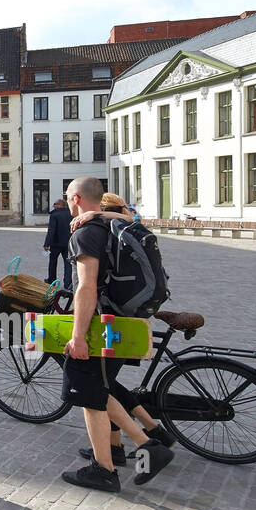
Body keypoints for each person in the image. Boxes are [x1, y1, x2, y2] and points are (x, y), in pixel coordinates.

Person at [60, 177, 175, 492]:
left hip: (100, 325)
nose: (67, 201)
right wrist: (100, 214)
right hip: (124, 321)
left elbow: (87, 286)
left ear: (78, 198)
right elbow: (129, 217)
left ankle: (130, 455)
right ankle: (118, 453)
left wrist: (79, 335)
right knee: (99, 388)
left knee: (87, 390)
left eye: (68, 196)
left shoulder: (84, 233)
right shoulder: (110, 225)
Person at [43, 199, 72, 290]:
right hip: (68, 242)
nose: (53, 205)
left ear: (60, 205)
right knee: (68, 263)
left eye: (55, 204)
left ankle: (51, 280)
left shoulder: (55, 215)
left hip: (56, 243)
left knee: (53, 262)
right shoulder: (71, 214)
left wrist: (47, 244)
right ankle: (68, 283)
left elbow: (51, 230)